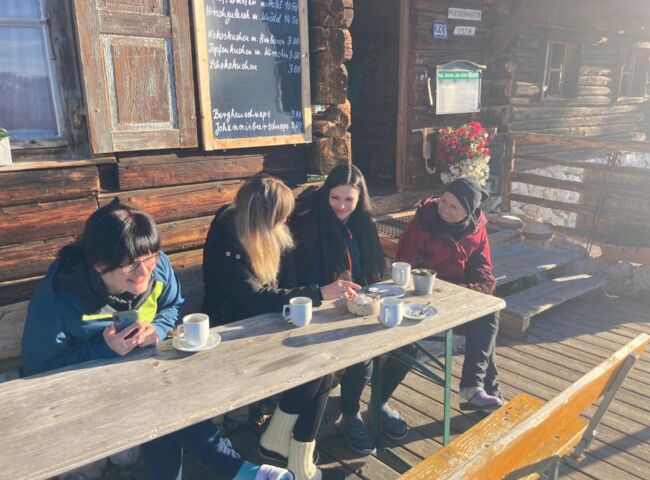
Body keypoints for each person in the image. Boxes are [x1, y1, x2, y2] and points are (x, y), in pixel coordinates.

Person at [21, 199, 290, 480]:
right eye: (131, 265)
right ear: (99, 265)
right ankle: (237, 468)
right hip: (85, 389)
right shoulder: (61, 296)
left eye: (151, 257)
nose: (144, 272)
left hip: (147, 377)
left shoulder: (156, 266)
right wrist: (103, 348)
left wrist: (158, 329)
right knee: (160, 401)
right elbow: (39, 366)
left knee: (159, 400)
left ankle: (239, 470)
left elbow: (173, 304)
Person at [202, 176, 355, 480]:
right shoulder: (227, 237)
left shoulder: (269, 232)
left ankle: (288, 448)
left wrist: (315, 297)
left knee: (324, 366)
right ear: (262, 216)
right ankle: (287, 451)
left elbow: (285, 283)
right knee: (317, 369)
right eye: (280, 216)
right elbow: (253, 298)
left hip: (268, 323)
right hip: (231, 333)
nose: (285, 221)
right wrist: (318, 293)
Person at [289, 164, 405, 455]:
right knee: (362, 356)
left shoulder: (363, 224)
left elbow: (371, 269)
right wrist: (331, 292)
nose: (341, 206)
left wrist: (366, 292)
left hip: (360, 304)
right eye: (335, 198)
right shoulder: (310, 224)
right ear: (326, 194)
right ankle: (350, 415)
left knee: (408, 344)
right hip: (323, 310)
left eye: (349, 200)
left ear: (360, 199)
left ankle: (378, 402)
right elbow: (303, 276)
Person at [382, 177, 503, 416]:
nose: (444, 209)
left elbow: (483, 268)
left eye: (453, 207)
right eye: (443, 201)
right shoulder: (423, 223)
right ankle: (483, 391)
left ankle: (473, 388)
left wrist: (475, 289)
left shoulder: (476, 229)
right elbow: (404, 265)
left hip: (458, 296)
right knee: (414, 342)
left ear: (468, 212)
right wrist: (428, 288)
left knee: (488, 314)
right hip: (421, 297)